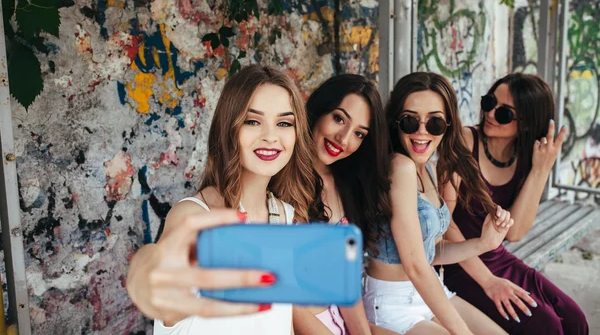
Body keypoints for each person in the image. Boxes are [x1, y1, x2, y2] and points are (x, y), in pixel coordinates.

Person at [126, 65, 317, 334]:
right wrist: (146, 279)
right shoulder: (194, 217)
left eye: (284, 123)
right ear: (229, 128)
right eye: (252, 121)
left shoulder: (285, 215)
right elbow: (155, 276)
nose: (271, 136)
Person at [363, 71, 512, 335]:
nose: (422, 132)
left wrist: (485, 243)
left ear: (448, 127)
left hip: (429, 290)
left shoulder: (429, 169)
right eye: (410, 121)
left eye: (434, 123)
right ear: (395, 122)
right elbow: (415, 267)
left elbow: (428, 254)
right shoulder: (400, 167)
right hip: (393, 305)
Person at [442, 73, 588, 334]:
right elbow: (445, 223)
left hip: (498, 258)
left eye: (504, 113)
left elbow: (516, 231)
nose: (490, 113)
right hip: (457, 264)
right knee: (547, 326)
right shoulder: (464, 142)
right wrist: (488, 282)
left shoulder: (524, 157)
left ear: (526, 123)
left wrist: (541, 170)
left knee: (575, 321)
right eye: (489, 103)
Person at [292, 74, 396, 335]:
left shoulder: (344, 185)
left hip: (339, 317)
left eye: (359, 133)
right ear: (319, 111)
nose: (344, 138)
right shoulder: (282, 181)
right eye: (339, 119)